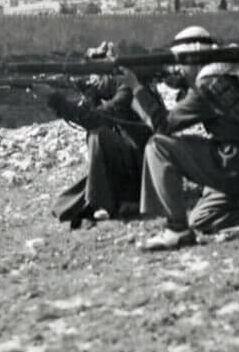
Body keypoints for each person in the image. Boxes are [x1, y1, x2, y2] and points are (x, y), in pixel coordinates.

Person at [121, 26, 239, 251]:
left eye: (181, 62)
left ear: (194, 57)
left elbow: (162, 125)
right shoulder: (232, 74)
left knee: (158, 146)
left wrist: (136, 88)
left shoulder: (207, 86)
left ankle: (176, 230)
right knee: (200, 219)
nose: (178, 69)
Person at [33, 42, 159, 229]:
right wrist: (89, 95)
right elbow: (97, 114)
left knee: (97, 136)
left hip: (143, 172)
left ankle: (98, 204)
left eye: (99, 73)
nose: (95, 79)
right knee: (65, 204)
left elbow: (96, 119)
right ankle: (107, 199)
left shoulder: (128, 90)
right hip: (134, 166)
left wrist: (54, 98)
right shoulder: (121, 89)